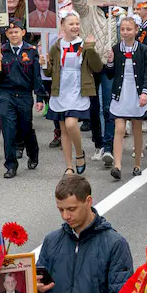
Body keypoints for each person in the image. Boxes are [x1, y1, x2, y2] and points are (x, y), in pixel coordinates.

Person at [36, 174, 133, 293]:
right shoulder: (51, 241)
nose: (65, 216)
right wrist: (36, 291)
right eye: (60, 210)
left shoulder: (115, 244)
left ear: (88, 201)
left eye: (71, 209)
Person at [45, 12, 104, 175]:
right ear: (62, 26)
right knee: (64, 130)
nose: (75, 26)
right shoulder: (57, 46)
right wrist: (44, 64)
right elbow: (50, 71)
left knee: (71, 124)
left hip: (78, 89)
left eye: (77, 23)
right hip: (61, 90)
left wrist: (90, 48)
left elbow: (97, 67)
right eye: (71, 24)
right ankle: (69, 166)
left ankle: (79, 153)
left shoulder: (85, 44)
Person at [108, 15, 147, 182]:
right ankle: (117, 165)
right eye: (122, 29)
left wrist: (145, 92)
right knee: (119, 128)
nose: (125, 32)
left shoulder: (143, 50)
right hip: (120, 93)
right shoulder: (115, 49)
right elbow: (110, 74)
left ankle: (137, 163)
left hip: (137, 93)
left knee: (137, 128)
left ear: (136, 30)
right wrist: (109, 62)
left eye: (129, 29)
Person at [0, 17, 43, 180]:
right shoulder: (2, 51)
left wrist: (40, 98)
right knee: (8, 130)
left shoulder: (31, 51)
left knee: (25, 128)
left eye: (16, 31)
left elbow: (36, 76)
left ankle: (33, 153)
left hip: (24, 95)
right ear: (6, 34)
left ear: (23, 32)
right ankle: (10, 165)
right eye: (10, 32)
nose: (14, 35)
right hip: (7, 94)